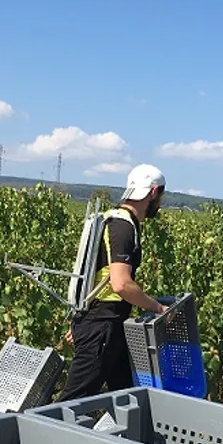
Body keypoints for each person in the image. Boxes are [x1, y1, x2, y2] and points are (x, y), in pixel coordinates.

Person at [57, 163, 168, 401]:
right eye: (161, 196)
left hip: (105, 324)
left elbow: (92, 273)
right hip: (103, 326)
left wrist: (83, 321)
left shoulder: (111, 219)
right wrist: (158, 307)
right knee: (71, 403)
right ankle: (35, 426)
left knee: (128, 396)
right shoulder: (122, 227)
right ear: (153, 192)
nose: (160, 204)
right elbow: (121, 284)